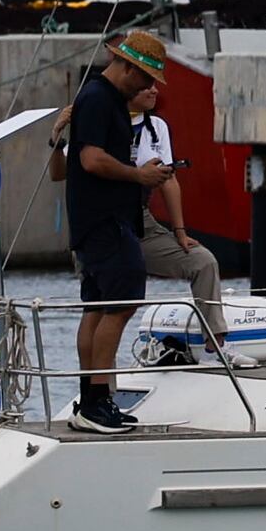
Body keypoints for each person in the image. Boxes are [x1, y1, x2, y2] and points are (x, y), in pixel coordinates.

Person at [59, 29, 169, 432]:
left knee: (98, 307)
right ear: (124, 66)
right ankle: (97, 400)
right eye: (144, 75)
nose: (149, 84)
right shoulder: (99, 100)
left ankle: (91, 401)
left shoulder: (100, 99)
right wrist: (138, 175)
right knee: (120, 306)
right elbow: (90, 159)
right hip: (105, 220)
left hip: (97, 221)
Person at [128, 78, 236, 363]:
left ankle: (216, 345)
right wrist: (57, 139)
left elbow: (169, 180)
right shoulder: (103, 121)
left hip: (143, 220)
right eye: (144, 84)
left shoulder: (157, 127)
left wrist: (179, 231)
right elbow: (67, 170)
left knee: (203, 261)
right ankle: (99, 383)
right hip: (107, 224)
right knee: (113, 299)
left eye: (154, 84)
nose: (153, 89)